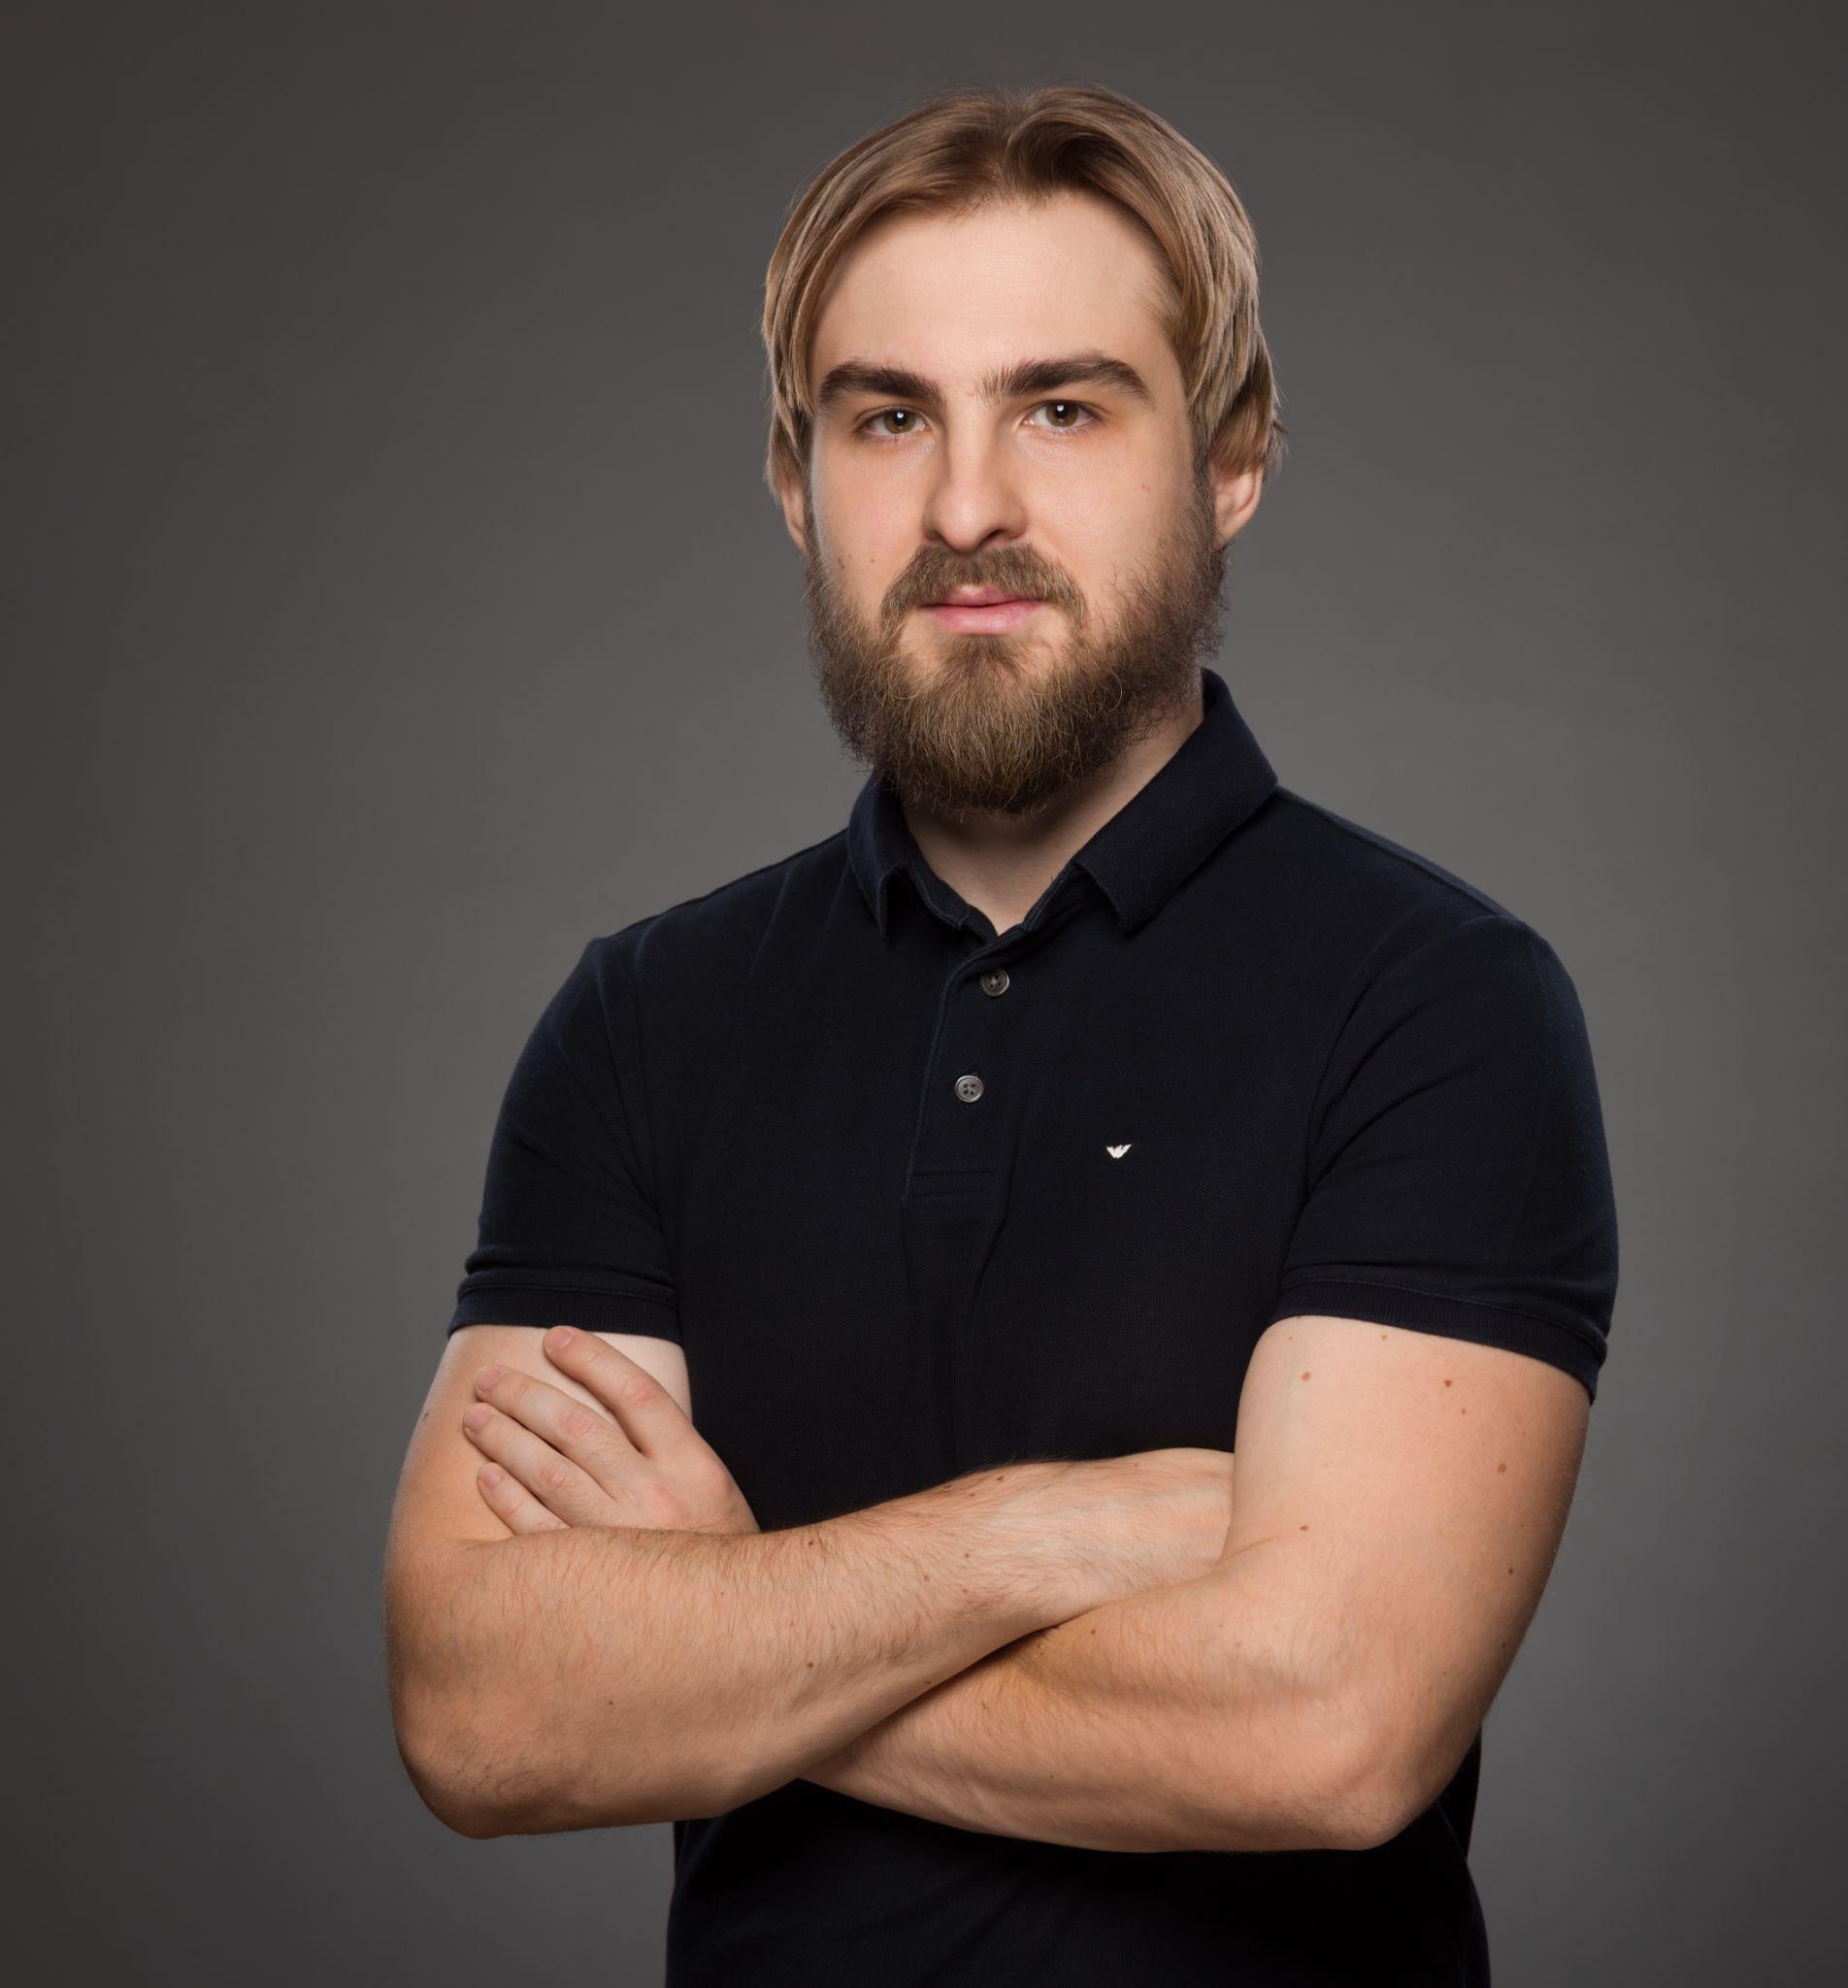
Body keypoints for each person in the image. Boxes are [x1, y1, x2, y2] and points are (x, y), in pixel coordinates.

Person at [384, 81, 1619, 1987]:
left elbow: (1327, 1731)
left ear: (1230, 458)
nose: (967, 508)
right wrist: (1042, 1538)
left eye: (1061, 407)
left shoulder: (1433, 999)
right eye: (889, 417)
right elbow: (480, 1710)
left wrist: (720, 1625)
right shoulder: (643, 1021)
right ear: (795, 481)